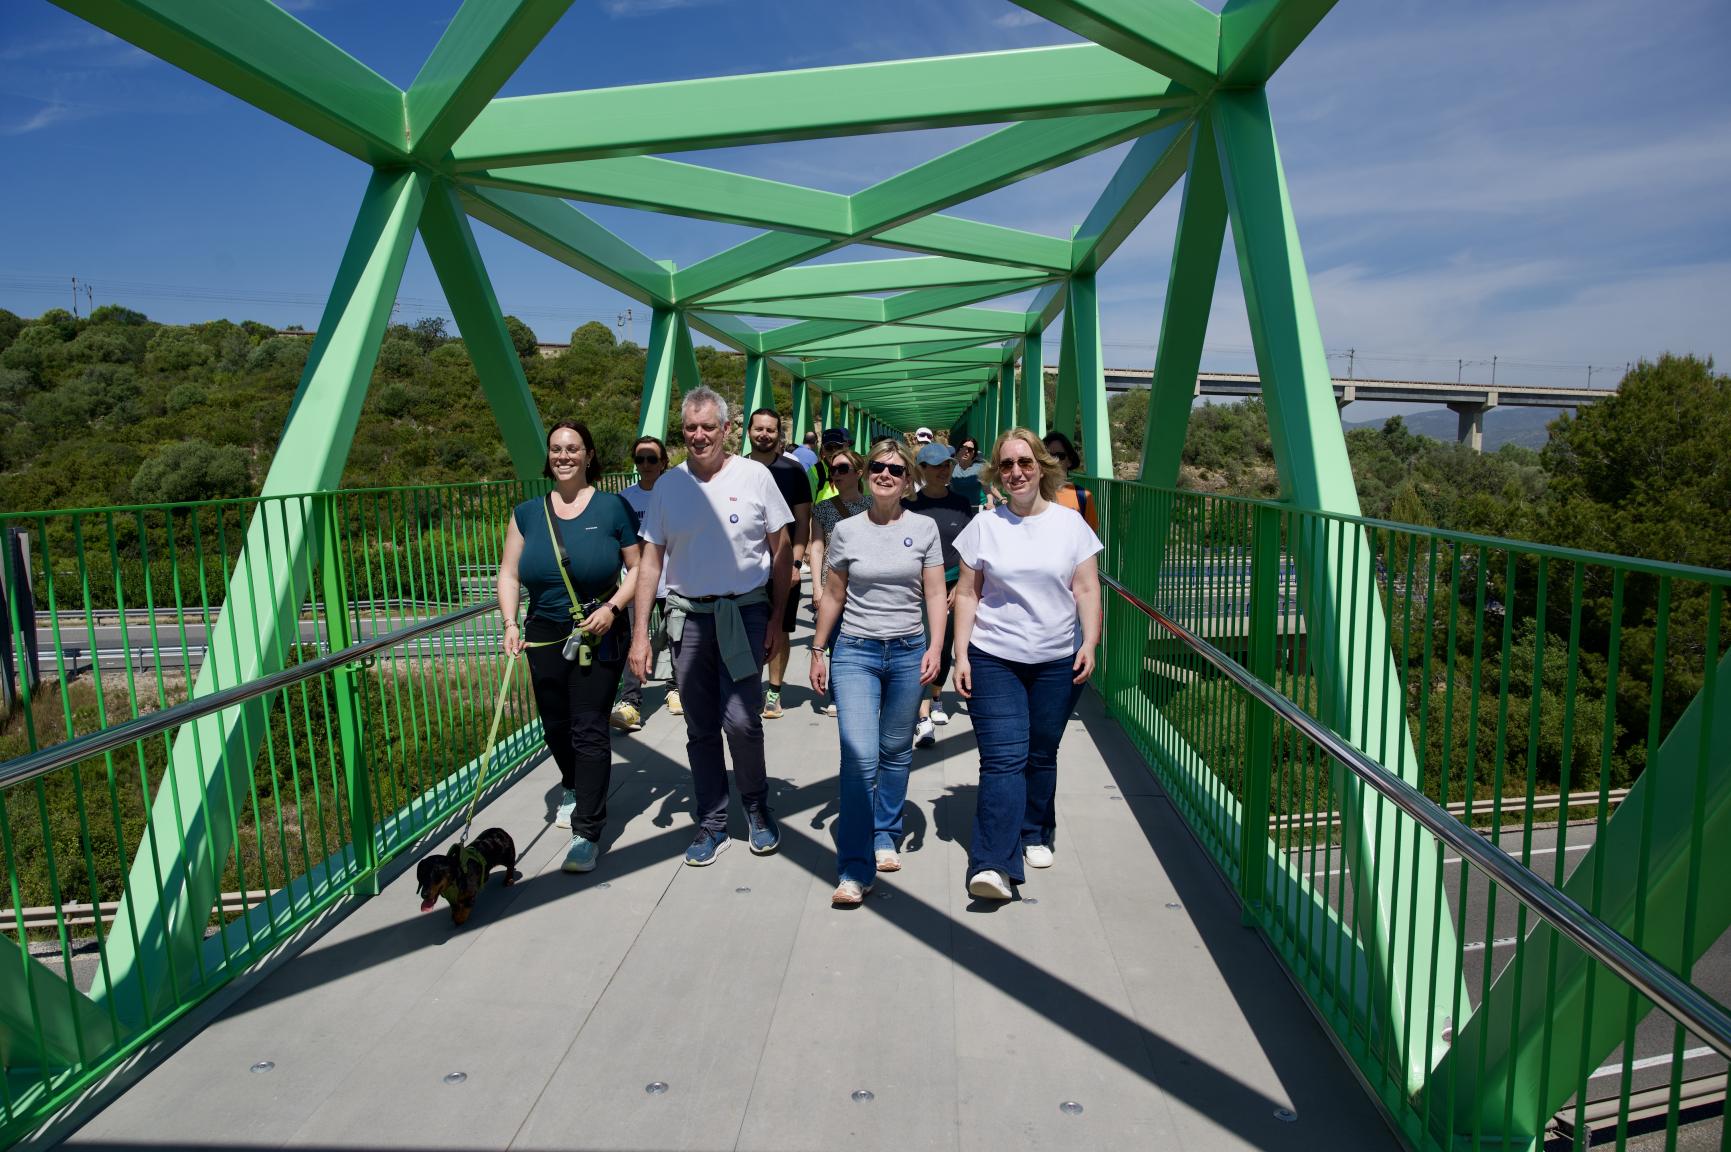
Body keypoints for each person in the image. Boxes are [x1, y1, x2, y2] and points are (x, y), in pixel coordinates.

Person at [631, 387, 794, 866]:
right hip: (688, 618)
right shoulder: (668, 486)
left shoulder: (755, 476)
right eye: (690, 427)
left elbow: (782, 551)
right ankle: (712, 822)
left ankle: (756, 806)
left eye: (708, 427)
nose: (699, 436)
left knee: (741, 721)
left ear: (726, 430)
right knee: (700, 725)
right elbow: (650, 563)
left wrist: (777, 619)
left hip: (743, 613)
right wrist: (640, 635)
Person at [952, 428, 1102, 901]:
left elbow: (1086, 588)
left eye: (1025, 462)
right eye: (1006, 465)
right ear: (997, 473)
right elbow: (967, 594)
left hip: (1057, 658)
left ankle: (1035, 829)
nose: (1016, 472)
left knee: (1041, 752)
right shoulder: (984, 526)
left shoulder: (1070, 525)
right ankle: (992, 864)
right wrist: (961, 654)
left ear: (1041, 467)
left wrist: (1090, 642)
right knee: (1003, 758)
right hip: (994, 656)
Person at [497, 421, 641, 874]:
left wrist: (614, 608)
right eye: (557, 449)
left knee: (589, 727)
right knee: (555, 725)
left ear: (589, 455)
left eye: (573, 448)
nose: (564, 456)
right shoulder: (527, 513)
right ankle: (574, 783)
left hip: (598, 628)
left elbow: (638, 568)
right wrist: (509, 622)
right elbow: (509, 574)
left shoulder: (613, 507)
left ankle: (587, 832)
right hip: (543, 631)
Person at [808, 439, 946, 905]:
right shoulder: (847, 530)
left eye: (896, 469)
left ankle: (886, 831)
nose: (885, 475)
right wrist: (818, 648)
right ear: (867, 476)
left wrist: (936, 648)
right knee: (859, 756)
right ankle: (853, 866)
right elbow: (834, 593)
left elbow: (934, 593)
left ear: (908, 481)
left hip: (908, 651)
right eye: (877, 468)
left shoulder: (924, 528)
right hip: (856, 652)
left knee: (895, 749)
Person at [903, 441, 974, 747]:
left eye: (947, 465)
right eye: (936, 466)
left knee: (945, 647)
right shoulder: (909, 505)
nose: (943, 471)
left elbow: (969, 550)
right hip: (918, 587)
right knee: (923, 646)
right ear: (922, 470)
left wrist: (960, 587)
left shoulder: (961, 503)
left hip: (954, 584)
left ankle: (936, 697)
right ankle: (921, 717)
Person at [746, 407, 813, 719]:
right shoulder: (735, 469)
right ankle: (747, 688)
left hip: (783, 565)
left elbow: (802, 521)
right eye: (758, 429)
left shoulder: (793, 470)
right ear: (749, 431)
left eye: (770, 430)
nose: (764, 434)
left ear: (778, 434)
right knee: (745, 629)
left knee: (781, 628)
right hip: (745, 567)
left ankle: (773, 691)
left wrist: (796, 564)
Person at [611, 435, 679, 730]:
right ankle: (630, 702)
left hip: (674, 579)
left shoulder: (678, 493)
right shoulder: (625, 498)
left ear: (664, 462)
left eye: (652, 458)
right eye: (640, 459)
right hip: (637, 581)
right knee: (633, 639)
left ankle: (676, 688)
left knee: (677, 637)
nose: (646, 464)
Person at [1040, 430, 1100, 532]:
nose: (1054, 460)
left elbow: (1090, 538)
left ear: (1069, 461)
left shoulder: (1083, 497)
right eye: (1049, 456)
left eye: (1060, 456)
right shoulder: (1032, 494)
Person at [950, 436, 985, 507]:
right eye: (963, 448)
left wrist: (990, 502)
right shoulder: (952, 467)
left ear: (974, 453)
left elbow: (987, 489)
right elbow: (943, 485)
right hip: (957, 508)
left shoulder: (980, 468)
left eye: (970, 449)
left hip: (976, 508)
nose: (966, 451)